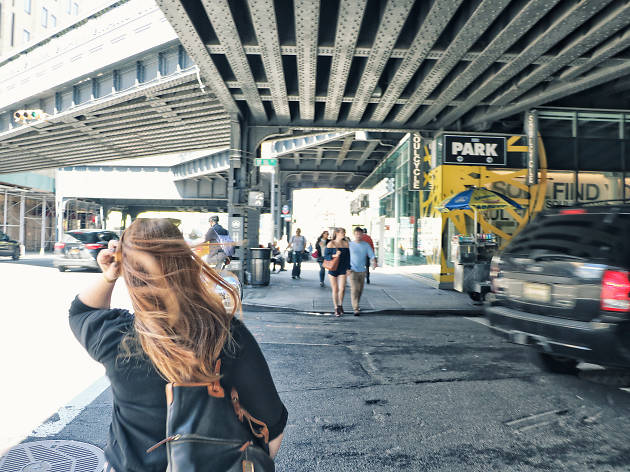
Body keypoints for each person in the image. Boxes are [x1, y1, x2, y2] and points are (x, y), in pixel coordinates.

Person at [69, 219, 287, 472]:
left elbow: (81, 311)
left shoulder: (117, 337)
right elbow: (272, 426)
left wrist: (110, 275)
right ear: (185, 261)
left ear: (129, 273)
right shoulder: (225, 334)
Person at [349, 227, 376, 316]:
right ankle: (356, 308)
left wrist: (374, 262)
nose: (358, 236)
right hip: (352, 270)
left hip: (362, 271)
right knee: (354, 289)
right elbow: (345, 257)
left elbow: (371, 255)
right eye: (357, 234)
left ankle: (357, 304)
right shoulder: (350, 245)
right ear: (354, 234)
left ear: (362, 235)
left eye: (360, 234)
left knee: (360, 290)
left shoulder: (366, 245)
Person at [324, 228, 351, 317]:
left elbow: (348, 257)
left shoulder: (346, 243)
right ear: (337, 233)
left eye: (344, 232)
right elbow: (326, 256)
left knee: (342, 289)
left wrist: (348, 268)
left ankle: (340, 305)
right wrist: (334, 255)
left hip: (343, 268)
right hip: (333, 268)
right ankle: (336, 308)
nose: (344, 234)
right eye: (342, 232)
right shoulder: (331, 243)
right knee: (335, 289)